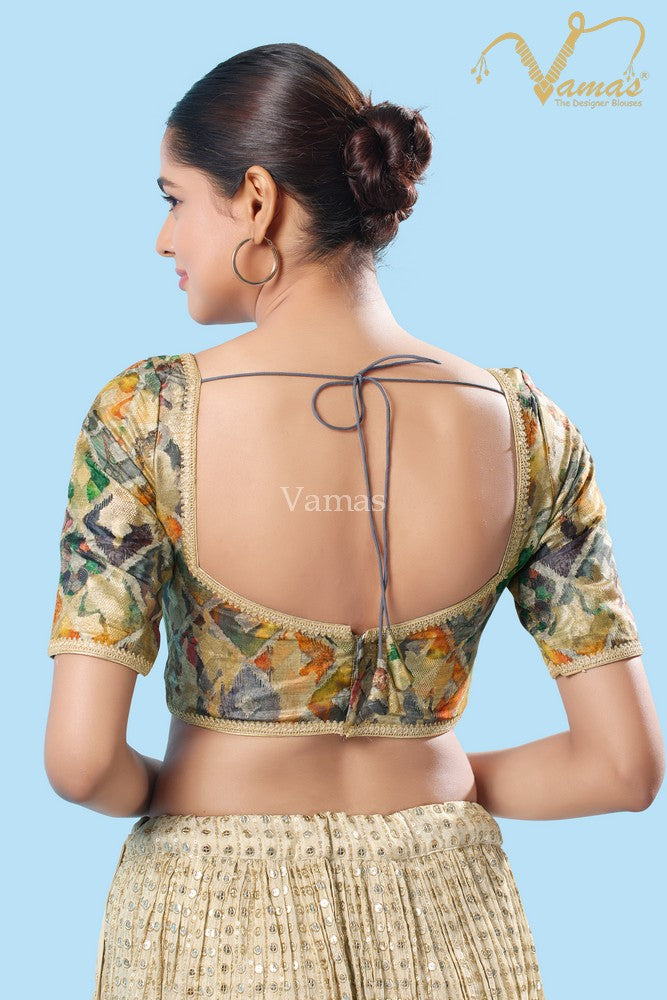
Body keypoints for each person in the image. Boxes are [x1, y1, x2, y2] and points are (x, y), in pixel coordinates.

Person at [44, 42, 663, 1000]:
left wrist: (181, 790)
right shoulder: (528, 430)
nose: (164, 239)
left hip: (217, 916)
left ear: (256, 200)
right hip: (453, 918)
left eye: (173, 199)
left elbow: (82, 766)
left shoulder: (147, 418)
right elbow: (623, 768)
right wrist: (434, 785)